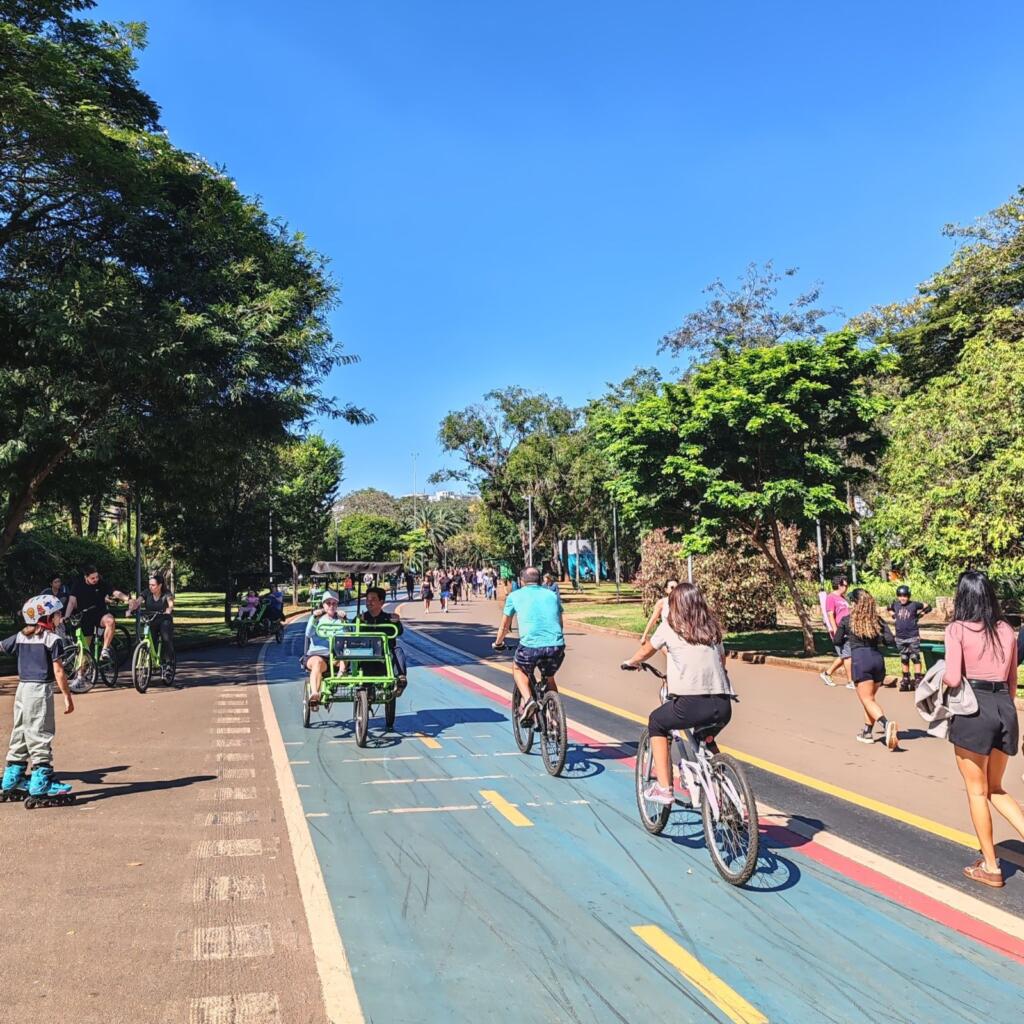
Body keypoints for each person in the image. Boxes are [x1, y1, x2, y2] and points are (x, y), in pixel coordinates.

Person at [943, 570, 1024, 889]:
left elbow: (952, 677)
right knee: (997, 788)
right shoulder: (1006, 629)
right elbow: (1012, 682)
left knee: (977, 791)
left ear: (962, 597)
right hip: (1005, 708)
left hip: (974, 710)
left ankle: (991, 867)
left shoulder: (957, 629)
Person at [620, 583, 735, 806]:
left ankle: (664, 788)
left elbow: (647, 650)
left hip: (691, 704)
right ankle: (728, 794)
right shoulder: (711, 629)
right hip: (723, 704)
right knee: (705, 737)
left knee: (657, 722)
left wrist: (631, 662)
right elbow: (721, 661)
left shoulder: (670, 626)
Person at [0, 594, 74, 805]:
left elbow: (2, 646)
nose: (60, 617)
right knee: (40, 731)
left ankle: (11, 778)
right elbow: (59, 671)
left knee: (21, 730)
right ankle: (42, 782)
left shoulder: (21, 636)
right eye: (57, 614)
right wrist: (68, 696)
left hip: (22, 689)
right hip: (40, 690)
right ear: (47, 618)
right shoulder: (52, 639)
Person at [493, 567, 565, 725]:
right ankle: (554, 718)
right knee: (549, 677)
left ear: (521, 581)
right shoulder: (552, 595)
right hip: (556, 646)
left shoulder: (514, 596)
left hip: (530, 647)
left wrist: (498, 643)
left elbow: (505, 626)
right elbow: (560, 622)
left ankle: (528, 700)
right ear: (540, 580)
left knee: (518, 668)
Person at [834, 589, 898, 750]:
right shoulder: (877, 621)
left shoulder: (847, 620)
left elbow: (837, 640)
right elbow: (890, 640)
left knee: (867, 700)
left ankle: (886, 724)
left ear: (855, 603)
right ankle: (867, 732)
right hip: (877, 660)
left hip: (861, 661)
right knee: (869, 699)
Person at [65, 566, 131, 664]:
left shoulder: (101, 583)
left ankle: (105, 649)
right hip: (85, 617)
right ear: (85, 577)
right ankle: (80, 676)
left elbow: (115, 592)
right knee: (84, 651)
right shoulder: (77, 584)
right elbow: (71, 602)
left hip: (100, 613)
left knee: (110, 620)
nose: (96, 579)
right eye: (92, 578)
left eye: (97, 577)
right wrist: (66, 616)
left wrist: (127, 599)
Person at [130, 574, 178, 686]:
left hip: (164, 619)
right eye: (149, 585)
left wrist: (169, 610)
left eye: (153, 585)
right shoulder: (146, 593)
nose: (151, 587)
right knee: (150, 639)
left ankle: (169, 664)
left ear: (160, 585)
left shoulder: (166, 594)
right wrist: (131, 609)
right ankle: (149, 661)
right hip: (151, 619)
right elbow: (138, 602)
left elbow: (171, 604)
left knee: (166, 638)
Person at [359, 587, 408, 694]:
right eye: (367, 599)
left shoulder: (388, 618)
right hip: (367, 656)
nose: (369, 602)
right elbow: (351, 631)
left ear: (381, 602)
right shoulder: (361, 618)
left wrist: (397, 622)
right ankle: (367, 691)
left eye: (373, 599)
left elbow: (399, 631)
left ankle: (400, 678)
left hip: (386, 656)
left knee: (398, 651)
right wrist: (360, 622)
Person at [303, 591, 344, 708]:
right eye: (328, 603)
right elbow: (308, 633)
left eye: (334, 604)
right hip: (318, 654)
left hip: (335, 656)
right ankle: (315, 693)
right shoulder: (317, 619)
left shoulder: (340, 620)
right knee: (317, 662)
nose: (331, 606)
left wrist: (345, 619)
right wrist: (314, 617)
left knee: (346, 654)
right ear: (323, 605)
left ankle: (339, 678)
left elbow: (348, 635)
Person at [888, 585, 932, 691]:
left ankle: (917, 678)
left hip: (912, 636)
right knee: (904, 658)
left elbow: (928, 606)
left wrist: (921, 614)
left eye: (905, 596)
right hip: (900, 637)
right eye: (900, 596)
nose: (903, 598)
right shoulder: (896, 604)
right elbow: (889, 608)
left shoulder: (914, 604)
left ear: (909, 596)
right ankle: (906, 678)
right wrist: (894, 616)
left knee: (915, 657)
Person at [820, 575, 852, 689]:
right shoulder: (831, 597)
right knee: (847, 656)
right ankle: (850, 681)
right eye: (845, 585)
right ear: (839, 585)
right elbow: (830, 614)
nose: (847, 587)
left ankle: (827, 674)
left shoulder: (843, 598)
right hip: (839, 630)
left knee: (845, 655)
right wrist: (835, 630)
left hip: (847, 629)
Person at [640, 579, 679, 645]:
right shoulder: (662, 603)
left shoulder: (683, 602)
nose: (675, 590)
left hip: (679, 636)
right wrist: (644, 636)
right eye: (672, 587)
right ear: (666, 590)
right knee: (643, 653)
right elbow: (653, 620)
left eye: (677, 587)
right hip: (665, 635)